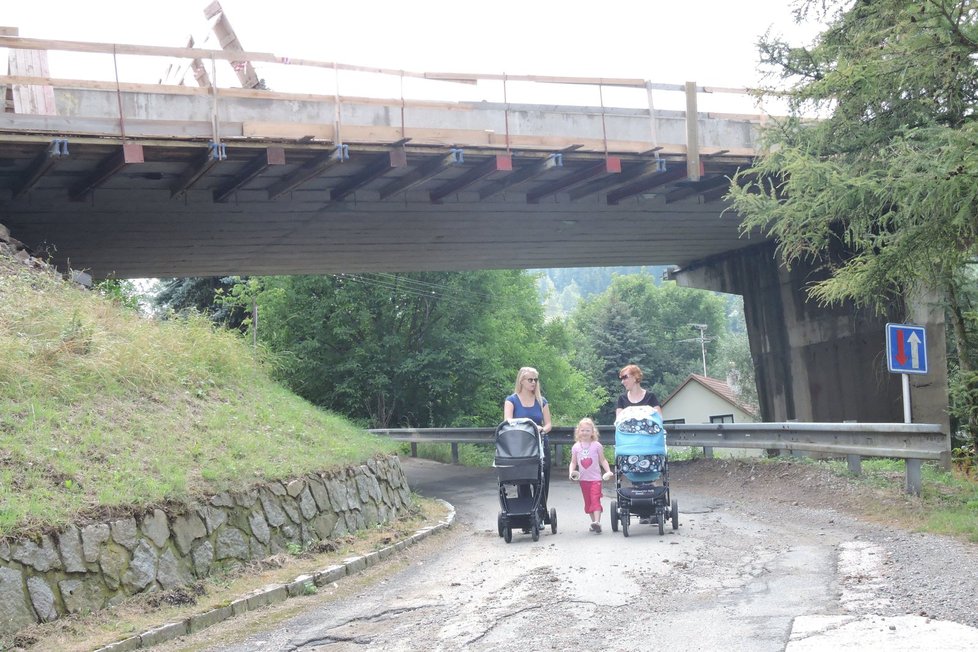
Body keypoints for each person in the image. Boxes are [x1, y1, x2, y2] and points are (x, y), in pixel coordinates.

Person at [503, 367, 553, 501]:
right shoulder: (511, 400)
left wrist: (542, 429)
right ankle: (525, 508)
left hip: (540, 442)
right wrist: (526, 425)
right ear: (521, 381)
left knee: (542, 477)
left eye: (535, 380)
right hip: (521, 444)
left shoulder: (541, 401)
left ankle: (541, 509)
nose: (533, 383)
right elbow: (508, 421)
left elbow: (548, 424)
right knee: (523, 479)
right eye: (530, 380)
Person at [568, 418, 613, 533]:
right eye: (582, 430)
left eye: (587, 430)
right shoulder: (576, 447)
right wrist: (571, 472)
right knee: (588, 502)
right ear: (578, 432)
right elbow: (573, 462)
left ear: (593, 432)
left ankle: (597, 522)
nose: (585, 433)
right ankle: (594, 523)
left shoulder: (597, 445)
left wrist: (608, 471)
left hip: (595, 479)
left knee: (595, 499)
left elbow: (602, 460)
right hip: (583, 480)